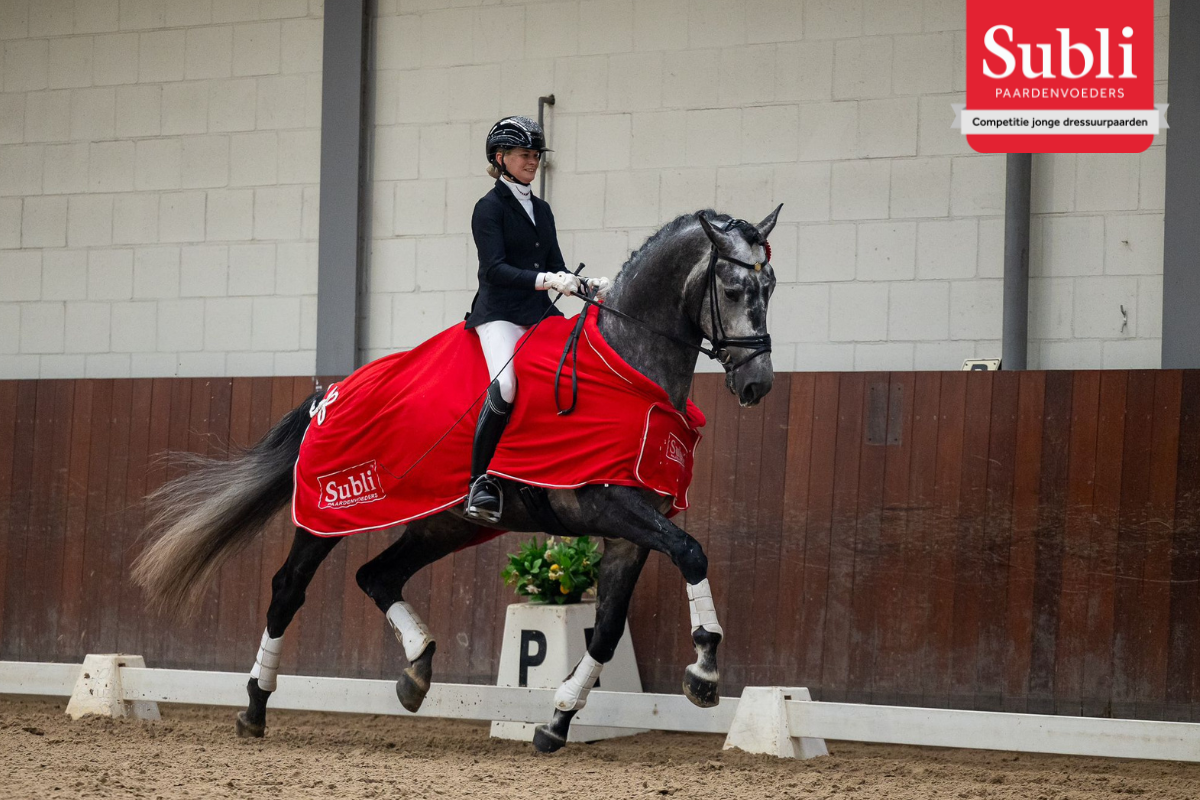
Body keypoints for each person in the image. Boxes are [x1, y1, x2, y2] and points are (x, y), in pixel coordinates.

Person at [463, 116, 610, 523]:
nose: (532, 161)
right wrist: (546, 280)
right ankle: (478, 483)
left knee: (569, 372)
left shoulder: (541, 209)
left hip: (539, 313)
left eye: (535, 155)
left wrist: (584, 285)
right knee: (507, 383)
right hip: (500, 314)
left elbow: (557, 265)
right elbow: (493, 269)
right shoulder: (488, 208)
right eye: (524, 155)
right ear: (501, 157)